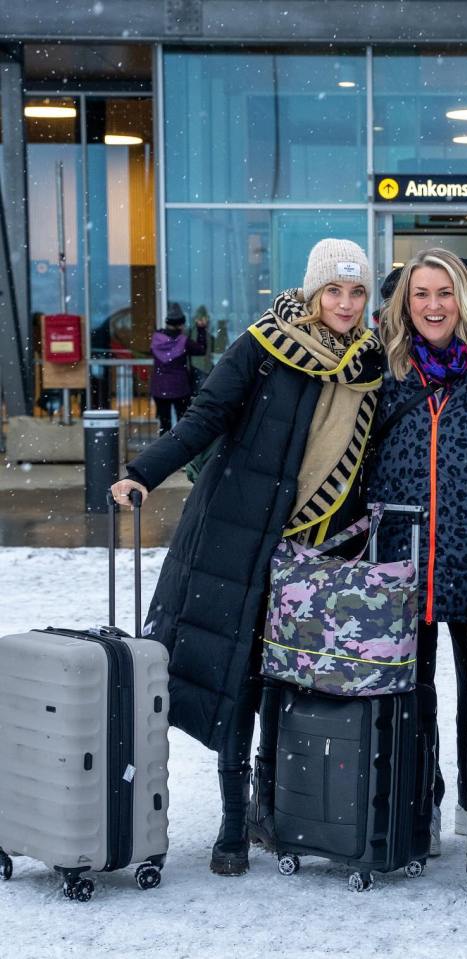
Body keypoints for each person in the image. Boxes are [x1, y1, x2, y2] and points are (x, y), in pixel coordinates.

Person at [110, 239, 383, 876]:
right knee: (236, 678)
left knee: (289, 682)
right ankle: (234, 820)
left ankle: (274, 806)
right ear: (313, 293)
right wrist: (143, 473)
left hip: (317, 551)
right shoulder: (263, 347)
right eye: (334, 291)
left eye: (357, 292)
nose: (345, 304)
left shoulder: (370, 367)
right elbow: (203, 419)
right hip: (240, 537)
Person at [365, 248, 467, 855]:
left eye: (444, 292)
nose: (433, 305)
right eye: (420, 293)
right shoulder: (381, 369)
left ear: (466, 299)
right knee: (410, 693)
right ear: (404, 303)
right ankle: (419, 804)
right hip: (401, 555)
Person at [149, 303, 209, 435]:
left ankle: (163, 450)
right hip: (180, 388)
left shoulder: (156, 338)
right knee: (183, 423)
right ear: (181, 324)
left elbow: (151, 352)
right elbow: (201, 350)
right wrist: (201, 329)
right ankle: (181, 449)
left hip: (159, 388)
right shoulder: (184, 341)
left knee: (164, 424)